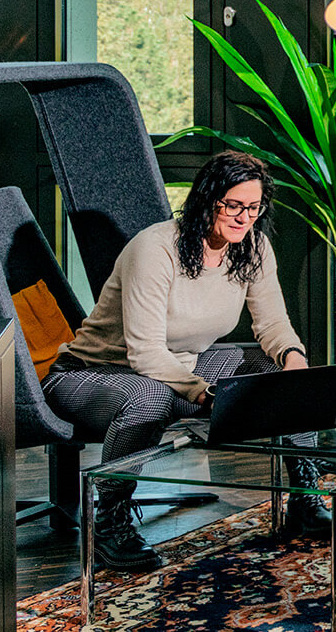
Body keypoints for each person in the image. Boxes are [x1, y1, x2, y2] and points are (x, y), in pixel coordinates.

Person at [44, 151, 317, 572]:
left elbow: (273, 324)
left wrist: (294, 361)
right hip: (92, 373)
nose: (244, 217)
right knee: (150, 396)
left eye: (254, 207)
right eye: (233, 205)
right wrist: (203, 393)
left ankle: (305, 499)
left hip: (180, 366)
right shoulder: (155, 249)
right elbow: (145, 352)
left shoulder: (254, 248)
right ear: (207, 199)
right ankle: (109, 521)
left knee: (275, 372)